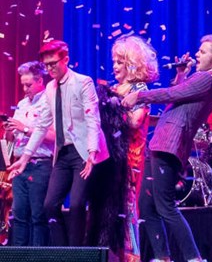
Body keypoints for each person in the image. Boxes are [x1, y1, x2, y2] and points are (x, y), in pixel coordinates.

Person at [122, 34, 212, 262]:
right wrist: (181, 74)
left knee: (165, 206)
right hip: (162, 142)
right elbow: (180, 95)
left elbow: (172, 94)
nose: (197, 54)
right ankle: (163, 257)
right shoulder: (202, 78)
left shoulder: (210, 78)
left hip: (170, 144)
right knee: (147, 206)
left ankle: (193, 258)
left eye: (203, 51)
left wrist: (138, 96)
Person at [8, 40, 109, 246]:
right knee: (49, 205)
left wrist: (91, 153)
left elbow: (92, 120)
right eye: (46, 65)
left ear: (66, 59)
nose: (50, 68)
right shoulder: (50, 88)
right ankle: (63, 250)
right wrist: (25, 157)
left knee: (78, 204)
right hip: (63, 153)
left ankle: (76, 252)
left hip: (84, 151)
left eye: (53, 63)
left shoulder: (83, 82)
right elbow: (42, 124)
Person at [87, 35, 159, 261]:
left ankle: (131, 257)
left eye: (120, 62)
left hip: (130, 159)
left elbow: (135, 121)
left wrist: (111, 111)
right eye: (114, 62)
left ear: (132, 64)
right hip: (108, 159)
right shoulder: (112, 89)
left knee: (127, 210)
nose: (114, 66)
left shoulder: (140, 89)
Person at [4, 61, 54, 246]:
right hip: (19, 164)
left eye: (28, 85)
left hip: (40, 164)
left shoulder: (48, 102)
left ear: (40, 81)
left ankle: (37, 256)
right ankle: (19, 256)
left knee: (37, 216)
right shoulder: (22, 104)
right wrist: (9, 130)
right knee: (19, 216)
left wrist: (24, 128)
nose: (25, 89)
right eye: (22, 85)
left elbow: (53, 136)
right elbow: (13, 137)